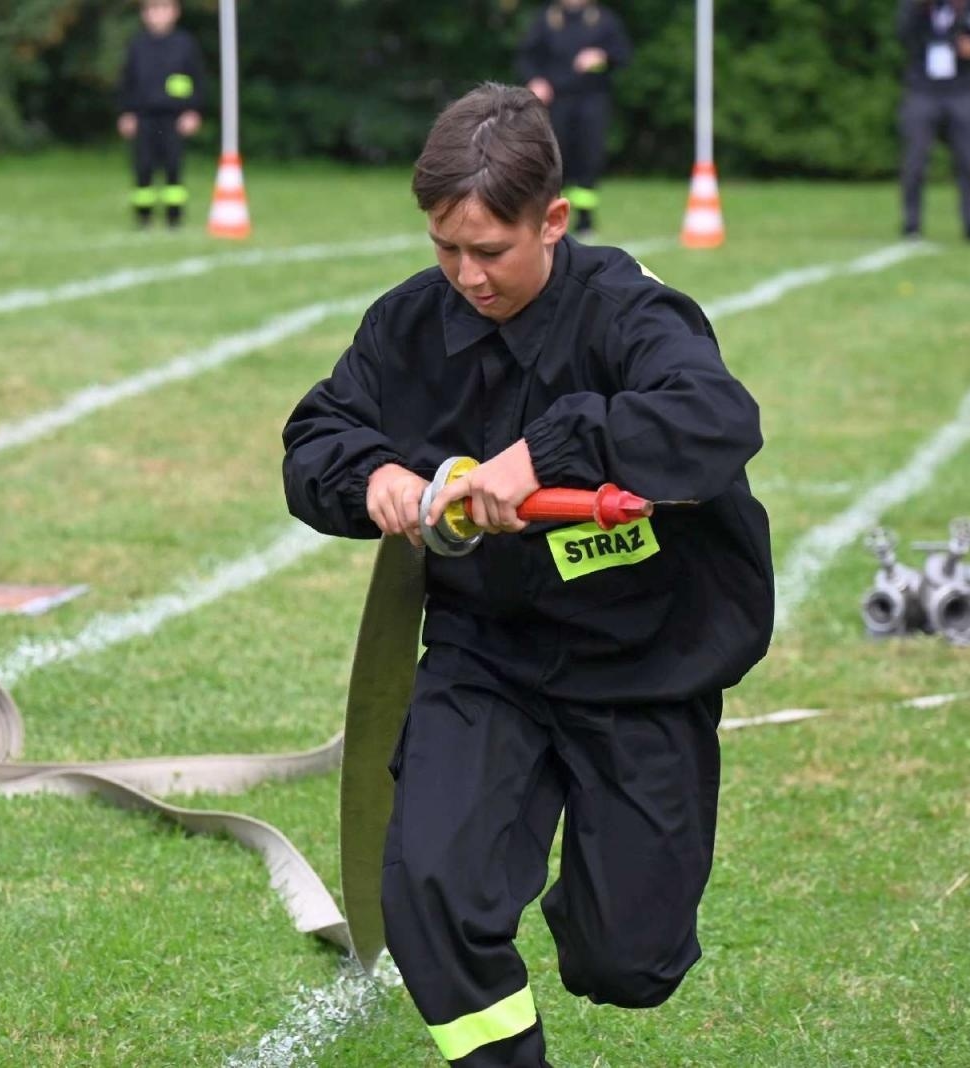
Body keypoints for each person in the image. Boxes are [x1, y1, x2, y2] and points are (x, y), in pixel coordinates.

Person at [282, 84, 772, 1068]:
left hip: (641, 665)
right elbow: (315, 437)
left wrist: (549, 452)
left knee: (626, 962)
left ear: (553, 219)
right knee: (428, 892)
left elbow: (718, 419)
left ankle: (601, 878)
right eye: (443, 247)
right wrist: (371, 473)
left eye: (490, 251)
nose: (465, 275)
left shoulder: (628, 311)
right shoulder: (409, 326)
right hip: (487, 654)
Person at [517, 0, 633, 240]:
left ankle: (585, 220)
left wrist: (602, 56)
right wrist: (536, 80)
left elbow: (623, 54)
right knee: (555, 158)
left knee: (589, 158)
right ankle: (549, 214)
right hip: (556, 102)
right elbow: (526, 57)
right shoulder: (546, 19)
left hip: (592, 101)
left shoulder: (603, 20)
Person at [897, 0, 970, 241]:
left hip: (961, 90)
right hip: (923, 89)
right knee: (915, 161)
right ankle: (912, 225)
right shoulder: (917, 7)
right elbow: (901, 32)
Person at [117, 0, 204, 229]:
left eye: (164, 9)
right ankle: (143, 218)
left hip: (174, 117)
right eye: (153, 9)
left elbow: (197, 79)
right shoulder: (137, 45)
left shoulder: (184, 44)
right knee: (143, 167)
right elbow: (127, 81)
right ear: (145, 14)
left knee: (174, 167)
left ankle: (174, 218)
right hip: (144, 117)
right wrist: (126, 112)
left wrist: (192, 110)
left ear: (175, 12)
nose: (158, 15)